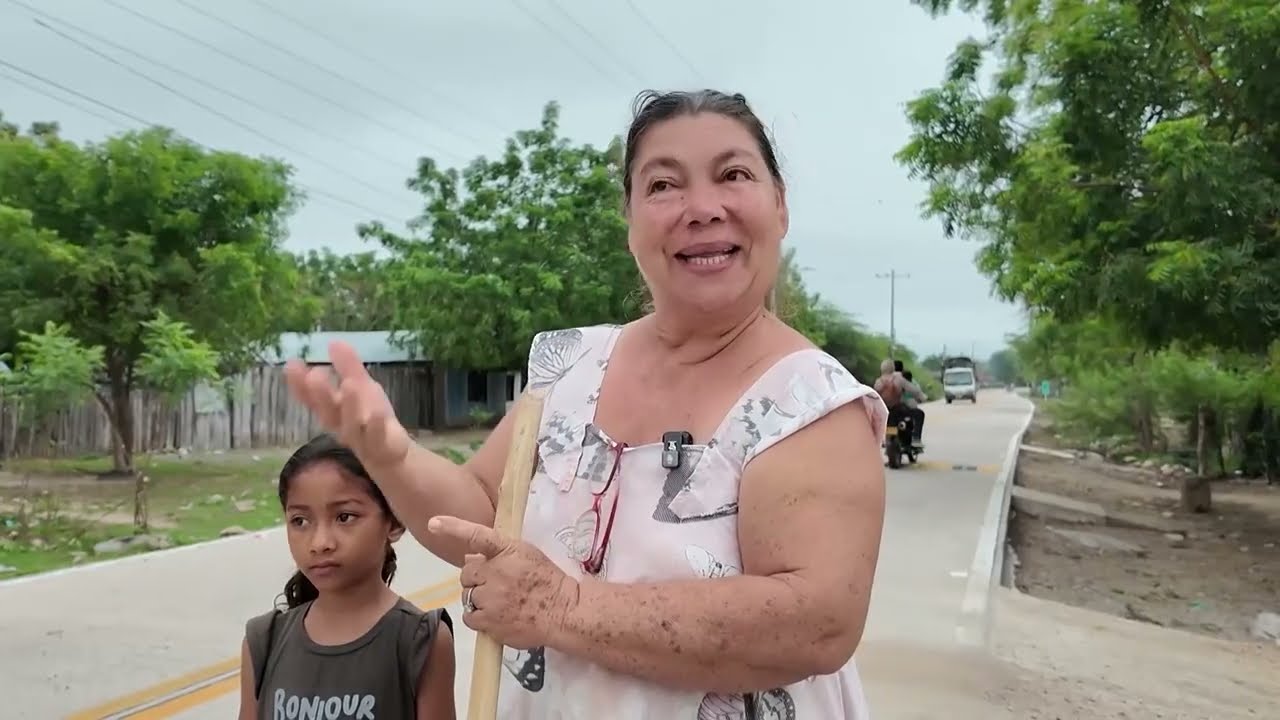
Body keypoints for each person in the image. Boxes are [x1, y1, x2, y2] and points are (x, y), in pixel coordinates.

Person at [284, 89, 888, 719]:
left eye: (733, 174)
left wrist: (563, 607)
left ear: (780, 205)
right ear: (629, 217)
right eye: (663, 186)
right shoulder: (571, 366)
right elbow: (488, 516)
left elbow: (814, 623)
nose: (703, 208)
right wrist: (393, 456)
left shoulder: (810, 404)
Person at [237, 434, 457, 720]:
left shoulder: (420, 641)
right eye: (300, 521)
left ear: (394, 520)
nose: (320, 542)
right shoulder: (263, 643)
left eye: (344, 517)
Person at [874, 359, 926, 447]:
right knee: (919, 414)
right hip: (897, 408)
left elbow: (874, 395)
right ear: (892, 368)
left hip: (883, 410)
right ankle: (916, 439)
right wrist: (922, 397)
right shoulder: (899, 379)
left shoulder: (878, 381)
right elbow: (914, 390)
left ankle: (879, 439)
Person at [901, 370, 928, 446]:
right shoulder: (911, 385)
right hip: (909, 410)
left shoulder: (892, 383)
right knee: (920, 414)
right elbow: (920, 396)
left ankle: (886, 439)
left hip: (894, 409)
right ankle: (916, 439)